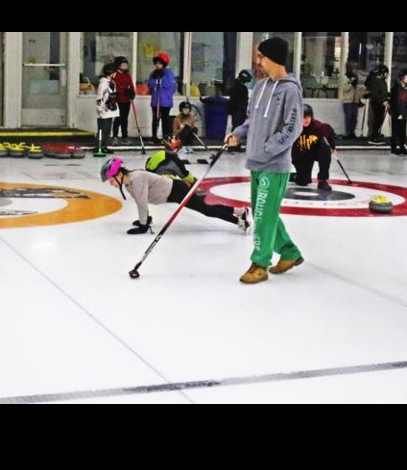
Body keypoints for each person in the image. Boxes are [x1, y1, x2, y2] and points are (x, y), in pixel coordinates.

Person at [225, 36, 304, 284]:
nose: (258, 62)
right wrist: (238, 134)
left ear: (273, 58)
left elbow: (293, 127)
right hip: (255, 162)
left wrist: (270, 148)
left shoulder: (290, 90)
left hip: (274, 164)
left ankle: (260, 263)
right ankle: (290, 252)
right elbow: (252, 121)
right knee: (265, 213)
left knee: (262, 214)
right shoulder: (259, 87)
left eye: (261, 57)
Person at [100, 157, 250, 234]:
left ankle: (240, 222)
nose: (111, 184)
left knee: (206, 210)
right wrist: (145, 220)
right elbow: (142, 201)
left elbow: (142, 202)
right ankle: (240, 211)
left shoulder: (136, 179)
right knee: (205, 207)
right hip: (173, 192)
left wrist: (143, 224)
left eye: (111, 180)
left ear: (119, 174)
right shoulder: (128, 183)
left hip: (177, 190)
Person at [291, 104, 336, 192]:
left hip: (313, 152)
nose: (306, 120)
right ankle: (294, 176)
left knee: (324, 148)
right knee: (303, 181)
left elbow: (329, 130)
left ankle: (322, 180)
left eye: (308, 117)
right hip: (300, 156)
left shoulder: (317, 126)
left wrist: (332, 146)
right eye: (303, 117)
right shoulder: (293, 128)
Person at [147, 52, 176, 142]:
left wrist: (161, 80)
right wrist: (156, 82)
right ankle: (154, 136)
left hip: (165, 101)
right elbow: (150, 84)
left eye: (160, 63)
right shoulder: (154, 73)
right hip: (156, 100)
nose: (158, 65)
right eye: (157, 63)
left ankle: (166, 136)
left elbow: (169, 85)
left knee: (165, 119)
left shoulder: (168, 73)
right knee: (155, 118)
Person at [94, 62, 118, 157]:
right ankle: (98, 146)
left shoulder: (111, 83)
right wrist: (99, 108)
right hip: (103, 110)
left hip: (110, 110)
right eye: (114, 72)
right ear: (111, 73)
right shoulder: (103, 84)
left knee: (108, 129)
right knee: (102, 129)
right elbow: (100, 97)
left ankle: (104, 145)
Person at [388, 69, 407, 156]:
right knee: (395, 132)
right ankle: (394, 148)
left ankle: (402, 148)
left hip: (404, 114)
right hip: (396, 114)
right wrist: (397, 113)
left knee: (403, 132)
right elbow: (393, 102)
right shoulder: (396, 88)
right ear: (402, 78)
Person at [110, 56, 135, 146]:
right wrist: (124, 90)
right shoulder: (115, 75)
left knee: (125, 119)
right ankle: (115, 136)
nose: (125, 65)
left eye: (126, 64)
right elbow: (114, 87)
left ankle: (125, 136)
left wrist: (132, 93)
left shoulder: (127, 75)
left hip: (127, 100)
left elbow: (131, 86)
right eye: (123, 64)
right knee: (118, 119)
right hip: (118, 100)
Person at [363, 64, 390, 144]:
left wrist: (388, 97)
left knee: (380, 119)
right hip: (377, 103)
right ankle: (373, 137)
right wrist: (383, 101)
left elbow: (383, 92)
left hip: (381, 103)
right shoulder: (375, 81)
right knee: (376, 120)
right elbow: (375, 94)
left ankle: (376, 134)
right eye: (385, 73)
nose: (387, 75)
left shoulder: (382, 81)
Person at [339, 62, 364, 139]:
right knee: (348, 117)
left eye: (356, 69)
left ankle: (352, 132)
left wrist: (361, 94)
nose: (355, 71)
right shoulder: (345, 77)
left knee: (354, 117)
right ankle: (348, 132)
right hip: (348, 100)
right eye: (354, 69)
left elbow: (358, 89)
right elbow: (344, 89)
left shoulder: (356, 78)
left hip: (355, 100)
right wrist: (351, 84)